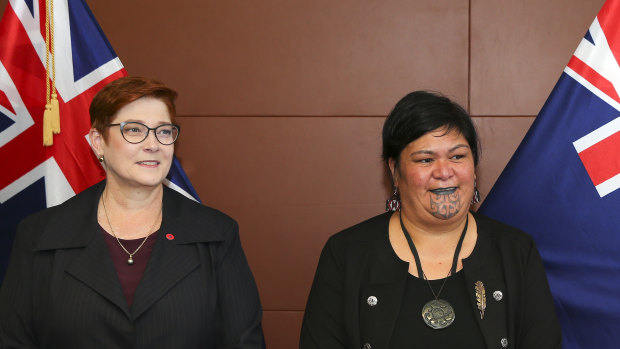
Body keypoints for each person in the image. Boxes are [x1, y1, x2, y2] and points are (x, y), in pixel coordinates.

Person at [0, 76, 265, 348]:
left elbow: (244, 342)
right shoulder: (41, 234)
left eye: (163, 131)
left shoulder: (217, 234)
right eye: (135, 130)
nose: (153, 144)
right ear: (98, 141)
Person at [300, 91, 561, 349]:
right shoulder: (346, 254)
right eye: (425, 160)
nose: (444, 172)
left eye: (457, 156)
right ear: (395, 171)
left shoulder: (515, 251)